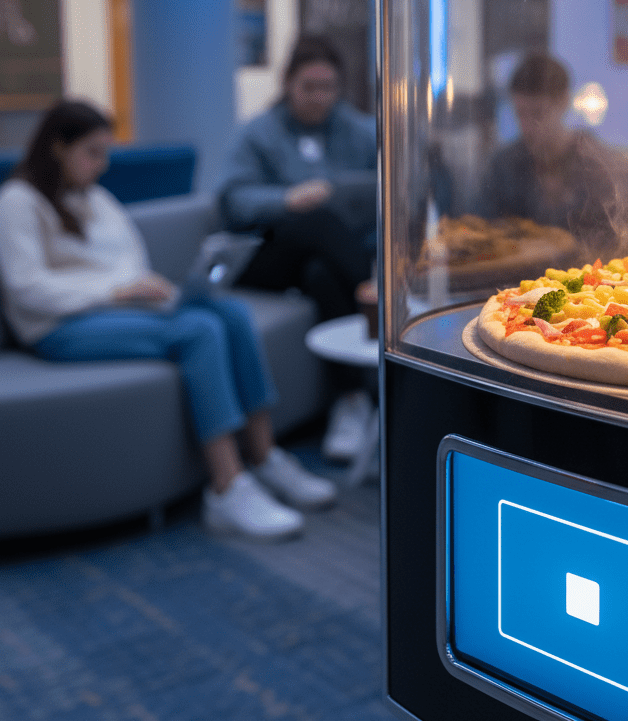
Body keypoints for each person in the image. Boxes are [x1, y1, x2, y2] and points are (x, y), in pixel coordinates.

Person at [0, 100, 337, 542]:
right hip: (57, 326)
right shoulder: (19, 202)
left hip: (116, 311)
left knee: (230, 313)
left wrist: (147, 286)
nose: (102, 166)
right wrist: (117, 291)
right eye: (92, 153)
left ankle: (264, 455)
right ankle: (226, 488)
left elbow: (128, 259)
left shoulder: (94, 199)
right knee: (199, 332)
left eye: (105, 153)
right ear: (58, 147)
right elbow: (27, 288)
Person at [217, 36, 378, 462]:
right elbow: (232, 199)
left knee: (321, 275)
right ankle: (374, 291)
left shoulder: (358, 130)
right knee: (317, 216)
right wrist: (285, 200)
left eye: (328, 88)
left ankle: (352, 403)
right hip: (266, 253)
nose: (320, 97)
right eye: (309, 87)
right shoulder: (258, 133)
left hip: (322, 259)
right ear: (287, 83)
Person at [477, 53, 619, 259]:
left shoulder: (597, 166)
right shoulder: (502, 166)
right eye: (520, 114)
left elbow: (612, 244)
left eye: (537, 114)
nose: (527, 126)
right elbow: (482, 233)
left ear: (564, 102)